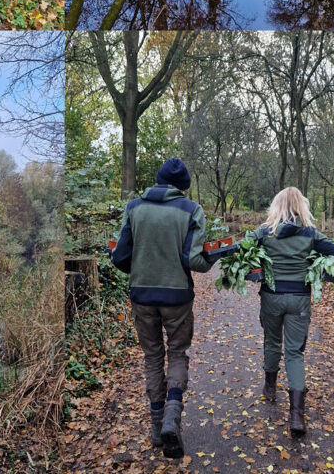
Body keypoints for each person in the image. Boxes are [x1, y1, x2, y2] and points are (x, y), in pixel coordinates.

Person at [110, 158, 214, 459]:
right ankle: (172, 417)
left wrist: (140, 264)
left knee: (152, 356)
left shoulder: (133, 208)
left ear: (157, 181)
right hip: (177, 298)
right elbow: (194, 261)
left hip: (142, 296)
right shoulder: (191, 211)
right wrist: (213, 257)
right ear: (183, 187)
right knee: (177, 353)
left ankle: (157, 429)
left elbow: (120, 258)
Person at [248, 187, 334, 437]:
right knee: (295, 352)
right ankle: (296, 416)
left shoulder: (264, 233)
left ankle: (270, 389)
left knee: (272, 342)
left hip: (272, 297)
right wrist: (322, 269)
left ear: (276, 206)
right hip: (300, 299)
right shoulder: (311, 234)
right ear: (301, 206)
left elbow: (240, 250)